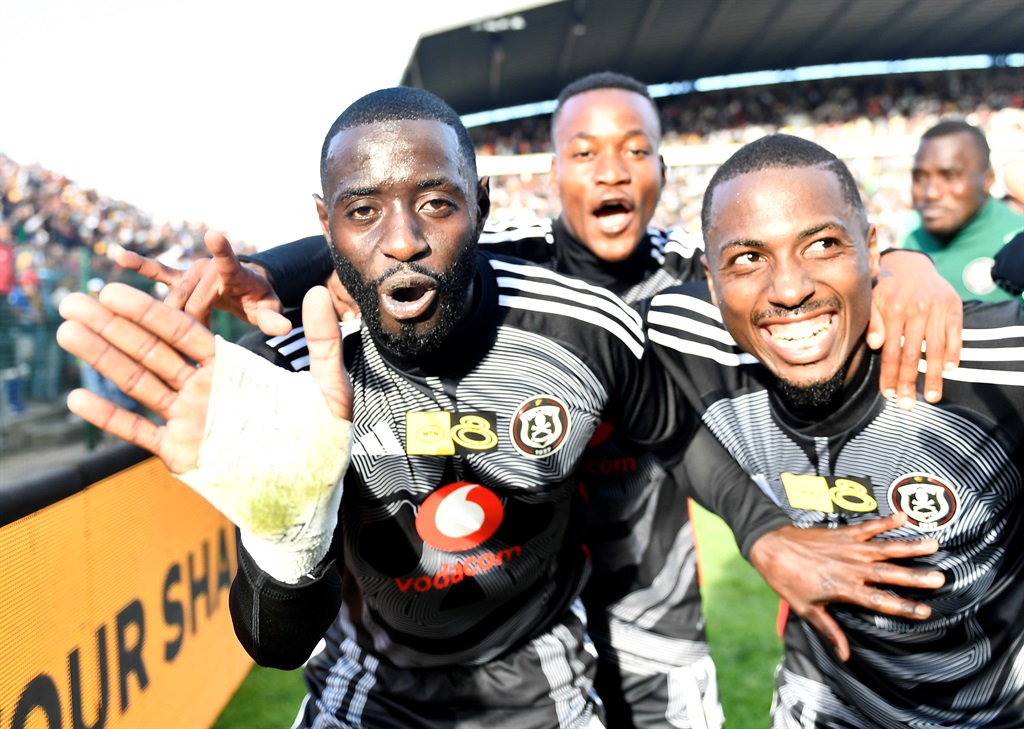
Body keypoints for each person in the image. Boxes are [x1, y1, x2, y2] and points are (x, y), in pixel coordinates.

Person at [57, 88, 947, 729]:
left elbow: (671, 427)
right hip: (367, 691)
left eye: (435, 204)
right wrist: (286, 530)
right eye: (363, 212)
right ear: (325, 228)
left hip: (543, 684)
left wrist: (763, 532)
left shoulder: (587, 324)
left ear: (482, 207)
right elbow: (275, 641)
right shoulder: (297, 368)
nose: (402, 238)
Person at [645, 133, 1024, 727]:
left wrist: (908, 264)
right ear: (712, 284)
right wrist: (760, 532)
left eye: (823, 244)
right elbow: (646, 410)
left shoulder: (986, 362)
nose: (790, 289)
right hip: (820, 703)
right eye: (748, 258)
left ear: (871, 251)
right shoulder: (674, 337)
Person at [899, 119, 1024, 302]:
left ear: (988, 180)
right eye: (920, 177)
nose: (931, 192)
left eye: (950, 176)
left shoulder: (1017, 241)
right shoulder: (911, 242)